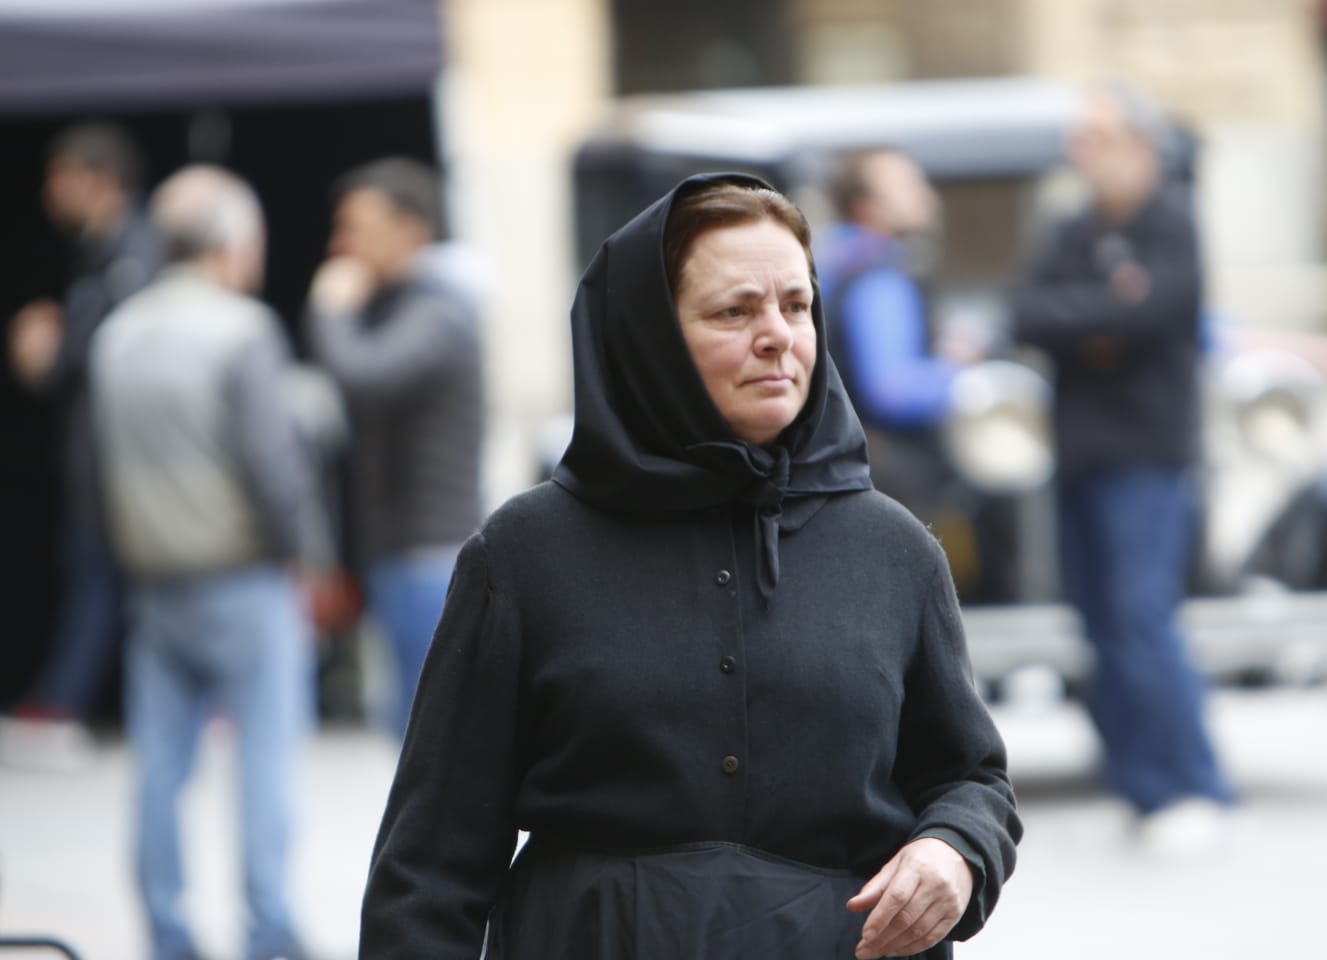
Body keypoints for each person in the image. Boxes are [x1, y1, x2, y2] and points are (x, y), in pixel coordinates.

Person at [359, 173, 1021, 958]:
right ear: (650, 335)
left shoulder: (894, 549)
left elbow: (971, 778)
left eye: (797, 305)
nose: (778, 334)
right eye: (734, 310)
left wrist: (955, 850)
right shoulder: (527, 553)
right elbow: (431, 864)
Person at [89, 166, 321, 960]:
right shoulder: (241, 330)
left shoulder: (118, 332)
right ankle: (268, 932)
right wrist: (304, 556)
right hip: (242, 574)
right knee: (264, 761)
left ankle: (168, 934)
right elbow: (273, 464)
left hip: (154, 580)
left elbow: (93, 467)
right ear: (230, 245)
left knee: (159, 769)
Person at [1011, 90, 1233, 849]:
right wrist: (1102, 317)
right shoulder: (1070, 229)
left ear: (1139, 145)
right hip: (1079, 455)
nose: (1084, 154)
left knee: (1144, 618)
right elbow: (1028, 313)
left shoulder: (1170, 222)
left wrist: (1093, 323)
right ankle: (1141, 786)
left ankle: (1195, 785)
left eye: (1098, 138)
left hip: (1148, 455)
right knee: (1099, 625)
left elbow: (1155, 315)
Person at [304, 157, 483, 739]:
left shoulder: (439, 312)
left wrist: (330, 311)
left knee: (428, 736)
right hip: (402, 552)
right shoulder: (407, 307)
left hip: (428, 553)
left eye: (356, 228)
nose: (341, 245)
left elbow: (365, 375)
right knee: (412, 733)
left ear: (411, 230)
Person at [1, 122, 162, 767]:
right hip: (101, 458)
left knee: (113, 578)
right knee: (103, 577)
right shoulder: (102, 251)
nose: (50, 193)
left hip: (128, 461)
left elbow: (117, 351)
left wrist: (56, 342)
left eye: (62, 177)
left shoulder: (135, 250)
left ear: (101, 179)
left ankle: (63, 706)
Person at [815, 148, 968, 530]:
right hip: (891, 472)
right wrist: (962, 373)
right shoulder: (879, 274)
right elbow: (891, 389)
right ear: (867, 207)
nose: (924, 193)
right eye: (906, 184)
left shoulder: (830, 257)